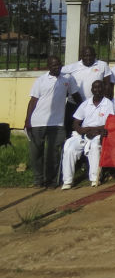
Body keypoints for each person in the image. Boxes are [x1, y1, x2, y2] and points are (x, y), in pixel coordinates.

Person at [25, 56, 83, 188]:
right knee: (36, 153)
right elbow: (33, 101)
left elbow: (75, 95)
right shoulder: (40, 80)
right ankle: (38, 180)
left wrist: (85, 110)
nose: (57, 67)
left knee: (53, 153)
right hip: (38, 122)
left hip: (57, 123)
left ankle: (51, 181)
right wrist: (27, 120)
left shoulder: (67, 79)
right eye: (54, 65)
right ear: (48, 66)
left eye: (59, 65)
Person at [61, 80, 115, 188]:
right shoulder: (85, 104)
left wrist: (94, 130)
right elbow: (76, 122)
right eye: (95, 88)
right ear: (92, 90)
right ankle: (68, 181)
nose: (97, 90)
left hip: (99, 134)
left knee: (94, 147)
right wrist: (82, 130)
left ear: (103, 89)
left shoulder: (108, 104)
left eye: (100, 87)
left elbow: (111, 123)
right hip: (83, 134)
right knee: (70, 149)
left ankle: (95, 179)